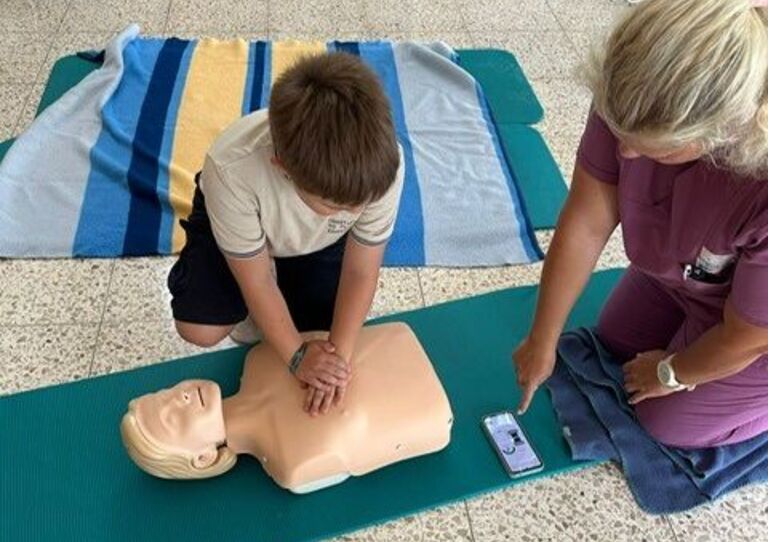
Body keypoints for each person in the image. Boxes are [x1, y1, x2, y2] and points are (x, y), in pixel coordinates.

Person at [513, 0, 768, 448]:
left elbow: (748, 334)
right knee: (615, 337)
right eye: (619, 134)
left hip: (755, 327)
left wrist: (673, 372)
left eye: (658, 152)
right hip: (688, 277)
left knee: (663, 419)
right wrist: (541, 337)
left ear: (721, 133)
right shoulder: (635, 88)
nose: (626, 154)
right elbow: (587, 221)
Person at [166, 52, 404, 416]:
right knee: (200, 328)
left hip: (318, 237)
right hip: (241, 219)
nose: (355, 212)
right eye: (338, 205)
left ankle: (292, 276)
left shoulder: (380, 167)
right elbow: (258, 279)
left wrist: (335, 363)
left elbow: (361, 271)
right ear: (284, 169)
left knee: (324, 331)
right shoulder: (232, 170)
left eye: (361, 203)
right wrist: (295, 357)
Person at [120, 323, 453, 493]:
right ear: (204, 457)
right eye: (172, 418)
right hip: (432, 410)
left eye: (166, 394)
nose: (181, 398)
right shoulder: (293, 464)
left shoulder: (261, 356)